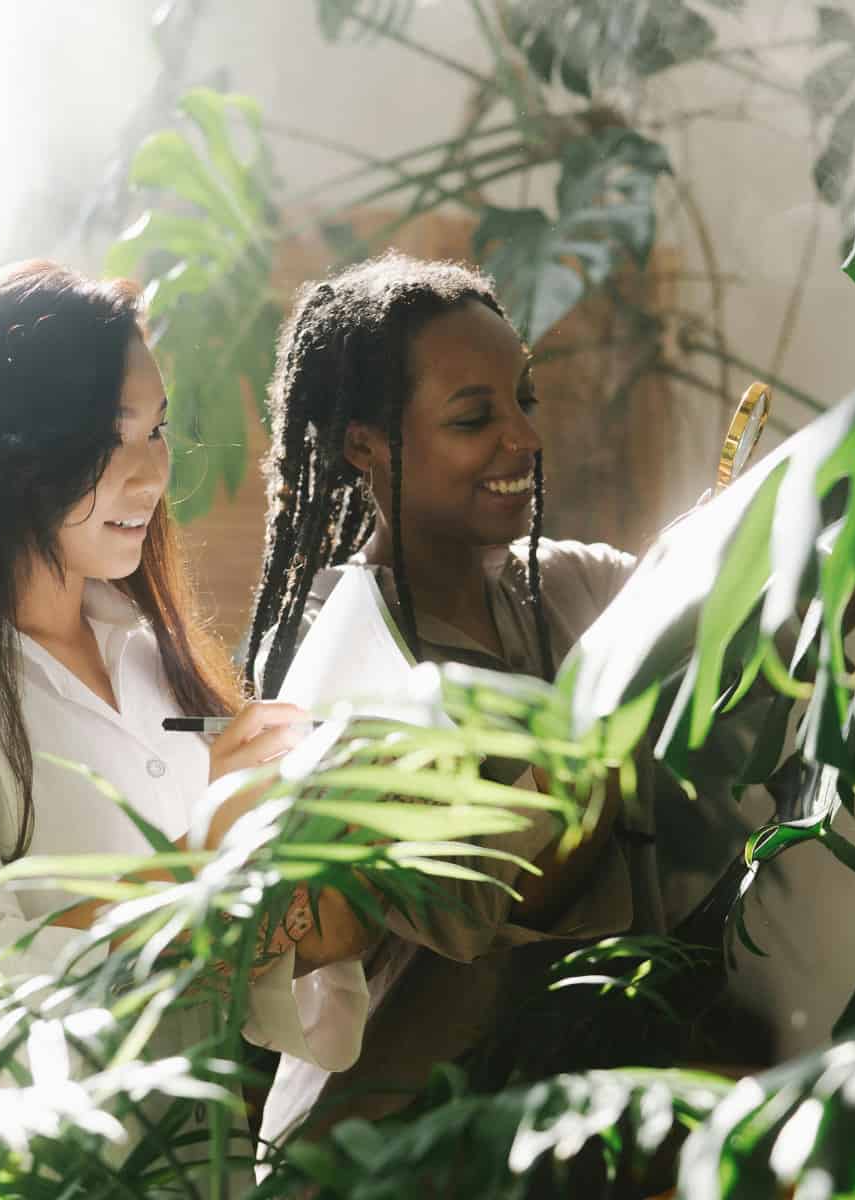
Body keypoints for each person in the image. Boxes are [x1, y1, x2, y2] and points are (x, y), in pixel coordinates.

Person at [0, 261, 372, 1162]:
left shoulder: (152, 661)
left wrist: (309, 884)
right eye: (110, 437)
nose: (151, 475)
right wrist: (202, 870)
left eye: (158, 430)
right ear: (4, 448)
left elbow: (235, 992)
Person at [245, 252, 666, 1144]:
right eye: (475, 416)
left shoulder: (568, 587)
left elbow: (737, 599)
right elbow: (502, 892)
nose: (523, 436)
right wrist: (614, 716)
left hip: (545, 1131)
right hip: (378, 1151)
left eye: (524, 400)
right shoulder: (354, 666)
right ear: (366, 445)